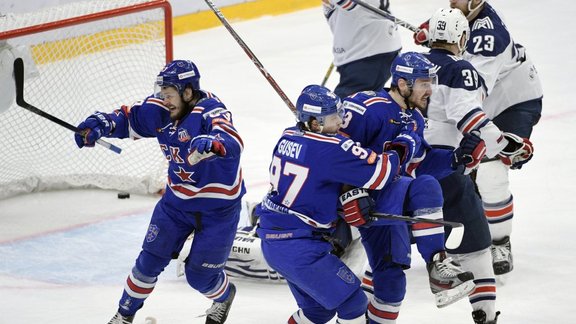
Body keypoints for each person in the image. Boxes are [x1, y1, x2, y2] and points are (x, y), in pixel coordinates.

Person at [74, 60, 245, 324]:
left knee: (201, 277)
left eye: (169, 95)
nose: (163, 101)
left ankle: (224, 297)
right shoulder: (161, 110)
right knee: (148, 263)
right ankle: (124, 315)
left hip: (218, 210)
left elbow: (231, 139)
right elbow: (128, 118)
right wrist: (101, 124)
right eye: (161, 94)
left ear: (188, 93)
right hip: (176, 205)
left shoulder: (210, 111)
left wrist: (214, 143)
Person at [255, 84, 418, 324]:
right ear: (314, 123)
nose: (341, 122)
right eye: (333, 118)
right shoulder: (332, 148)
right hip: (299, 245)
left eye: (340, 114)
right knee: (353, 303)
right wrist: (405, 141)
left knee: (318, 311)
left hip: (277, 239)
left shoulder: (287, 135)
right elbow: (381, 173)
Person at [339, 51, 482, 320]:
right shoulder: (367, 108)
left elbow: (419, 164)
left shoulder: (414, 119)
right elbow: (332, 152)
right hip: (353, 205)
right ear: (403, 84)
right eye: (423, 83)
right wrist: (349, 192)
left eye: (431, 82)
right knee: (425, 186)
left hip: (383, 206)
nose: (430, 90)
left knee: (392, 284)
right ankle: (438, 264)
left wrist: (455, 159)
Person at [412, 8, 532, 324]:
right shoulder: (461, 70)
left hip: (405, 169)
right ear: (462, 38)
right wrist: (507, 145)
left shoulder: (410, 66)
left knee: (386, 259)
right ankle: (486, 314)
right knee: (478, 247)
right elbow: (472, 120)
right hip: (442, 170)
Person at [322, 0, 401, 98]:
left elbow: (349, 4)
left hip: (367, 55)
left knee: (346, 107)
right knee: (367, 104)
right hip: (369, 49)